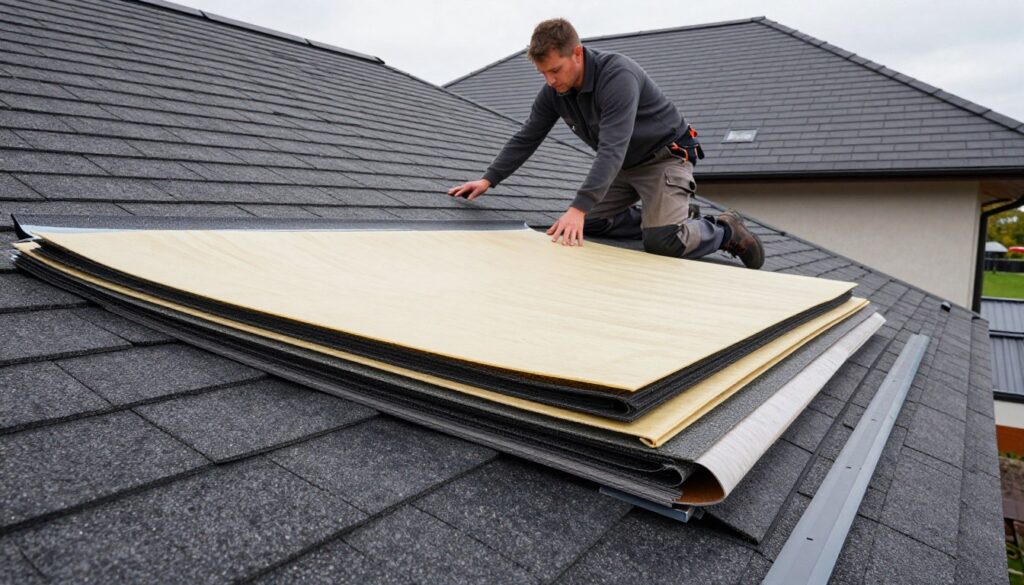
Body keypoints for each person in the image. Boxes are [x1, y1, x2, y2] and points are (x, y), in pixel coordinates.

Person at [447, 18, 764, 269]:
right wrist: (490, 178)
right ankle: (664, 213)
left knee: (662, 242)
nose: (551, 81)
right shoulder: (555, 94)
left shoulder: (618, 77)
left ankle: (724, 230)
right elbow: (527, 135)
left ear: (577, 53)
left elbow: (612, 147)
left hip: (663, 159)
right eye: (543, 73)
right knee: (588, 224)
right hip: (624, 165)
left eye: (555, 70)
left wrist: (578, 206)